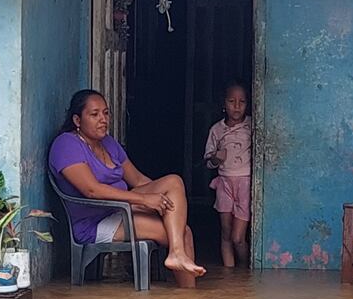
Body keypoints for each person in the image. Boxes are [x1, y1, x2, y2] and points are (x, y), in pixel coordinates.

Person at [49, 89, 206, 288]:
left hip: (120, 208)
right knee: (183, 234)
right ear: (77, 120)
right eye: (94, 114)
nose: (103, 119)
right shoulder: (66, 144)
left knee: (174, 182)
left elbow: (139, 180)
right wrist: (144, 200)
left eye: (106, 113)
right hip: (96, 221)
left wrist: (162, 202)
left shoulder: (107, 142)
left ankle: (178, 261)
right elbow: (92, 191)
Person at [204, 81, 252, 267]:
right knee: (226, 233)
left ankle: (246, 270)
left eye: (242, 101)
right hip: (224, 184)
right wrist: (217, 159)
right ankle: (229, 277)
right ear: (224, 104)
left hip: (245, 184)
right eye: (232, 101)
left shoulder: (252, 126)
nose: (237, 106)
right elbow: (208, 162)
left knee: (238, 237)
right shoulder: (216, 130)